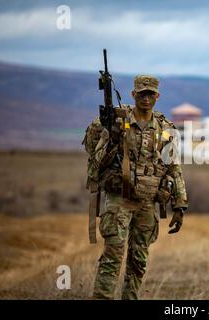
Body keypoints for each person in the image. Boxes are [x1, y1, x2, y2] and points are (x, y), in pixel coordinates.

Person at [82, 75, 188, 300]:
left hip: (147, 202)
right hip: (120, 198)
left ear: (157, 96)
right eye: (141, 94)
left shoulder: (164, 129)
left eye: (150, 94)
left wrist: (179, 205)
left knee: (138, 261)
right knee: (113, 257)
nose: (146, 99)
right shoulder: (118, 120)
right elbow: (92, 147)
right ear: (133, 94)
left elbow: (174, 166)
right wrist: (108, 129)